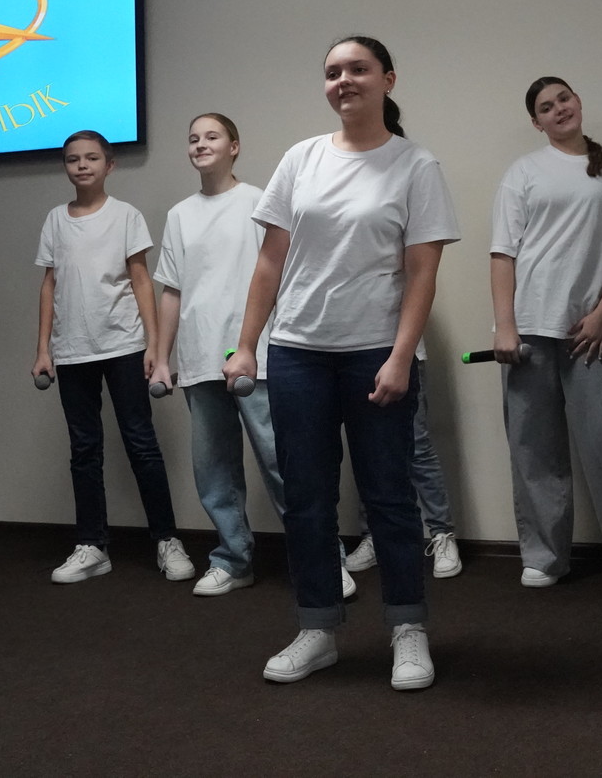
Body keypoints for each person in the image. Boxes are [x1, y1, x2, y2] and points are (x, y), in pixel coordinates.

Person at [226, 36, 460, 690]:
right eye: (332, 72)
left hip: (375, 354)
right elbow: (270, 260)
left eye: (358, 69)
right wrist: (246, 344)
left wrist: (401, 356)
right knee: (306, 499)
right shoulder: (301, 158)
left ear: (388, 79)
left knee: (389, 496)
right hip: (298, 352)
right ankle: (318, 628)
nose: (344, 80)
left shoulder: (416, 165)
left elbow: (422, 273)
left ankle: (407, 629)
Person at [151, 113, 323, 597]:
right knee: (214, 471)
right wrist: (161, 357)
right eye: (193, 138)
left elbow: (280, 276)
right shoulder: (180, 215)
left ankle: (321, 559)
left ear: (234, 146)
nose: (200, 144)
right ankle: (234, 559)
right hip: (199, 358)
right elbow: (172, 291)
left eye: (212, 136)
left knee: (282, 462)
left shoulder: (258, 203)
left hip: (257, 357)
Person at [488, 75, 602, 587]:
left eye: (563, 99)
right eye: (546, 107)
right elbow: (503, 253)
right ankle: (544, 556)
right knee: (534, 447)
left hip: (590, 331)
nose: (558, 109)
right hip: (528, 332)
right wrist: (505, 326)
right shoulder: (523, 172)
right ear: (537, 123)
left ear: (578, 102)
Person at [32, 130, 194, 585]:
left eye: (91, 158)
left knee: (141, 443)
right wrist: (43, 349)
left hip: (124, 345)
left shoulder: (126, 216)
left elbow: (141, 279)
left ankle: (167, 540)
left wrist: (154, 346)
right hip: (71, 350)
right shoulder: (55, 220)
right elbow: (49, 284)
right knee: (84, 450)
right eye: (73, 159)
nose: (82, 165)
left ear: (109, 165)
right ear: (66, 167)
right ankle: (92, 545)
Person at [343, 362, 463, 580]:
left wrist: (402, 361)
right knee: (367, 448)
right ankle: (374, 536)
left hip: (404, 359)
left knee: (417, 446)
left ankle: (442, 533)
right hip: (354, 359)